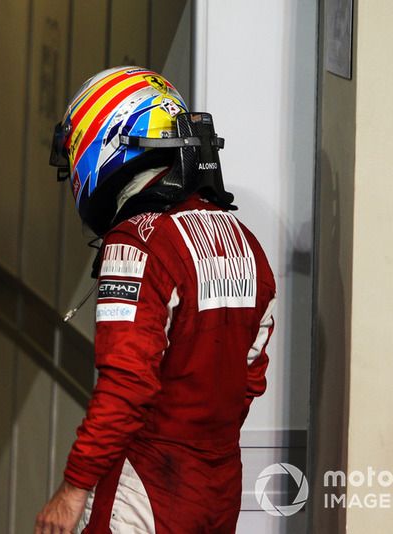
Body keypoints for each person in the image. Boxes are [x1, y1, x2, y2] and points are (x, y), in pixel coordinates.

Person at [36, 66, 276, 533]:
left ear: (103, 139)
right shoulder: (246, 241)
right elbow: (250, 376)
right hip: (220, 489)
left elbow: (126, 386)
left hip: (147, 488)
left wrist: (73, 488)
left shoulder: (137, 243)